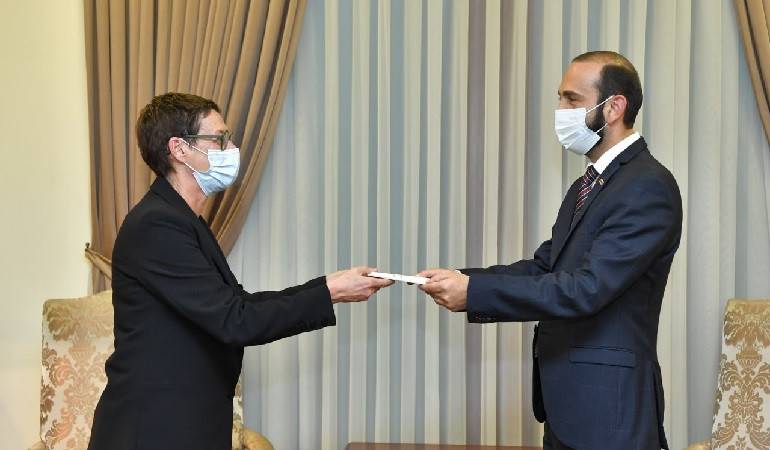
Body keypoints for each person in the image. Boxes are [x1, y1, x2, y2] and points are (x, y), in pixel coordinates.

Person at [88, 92, 392, 450]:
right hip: (154, 429)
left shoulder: (184, 220)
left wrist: (325, 285)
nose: (232, 148)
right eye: (219, 139)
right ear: (179, 149)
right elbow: (236, 320)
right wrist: (331, 294)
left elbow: (236, 303)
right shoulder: (156, 225)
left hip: (185, 423)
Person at [418, 51, 681, 450]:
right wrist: (464, 280)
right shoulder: (587, 186)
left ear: (613, 107)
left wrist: (473, 293)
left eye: (572, 100)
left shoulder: (648, 186)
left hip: (609, 413)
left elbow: (586, 289)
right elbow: (545, 267)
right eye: (560, 98)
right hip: (567, 409)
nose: (560, 110)